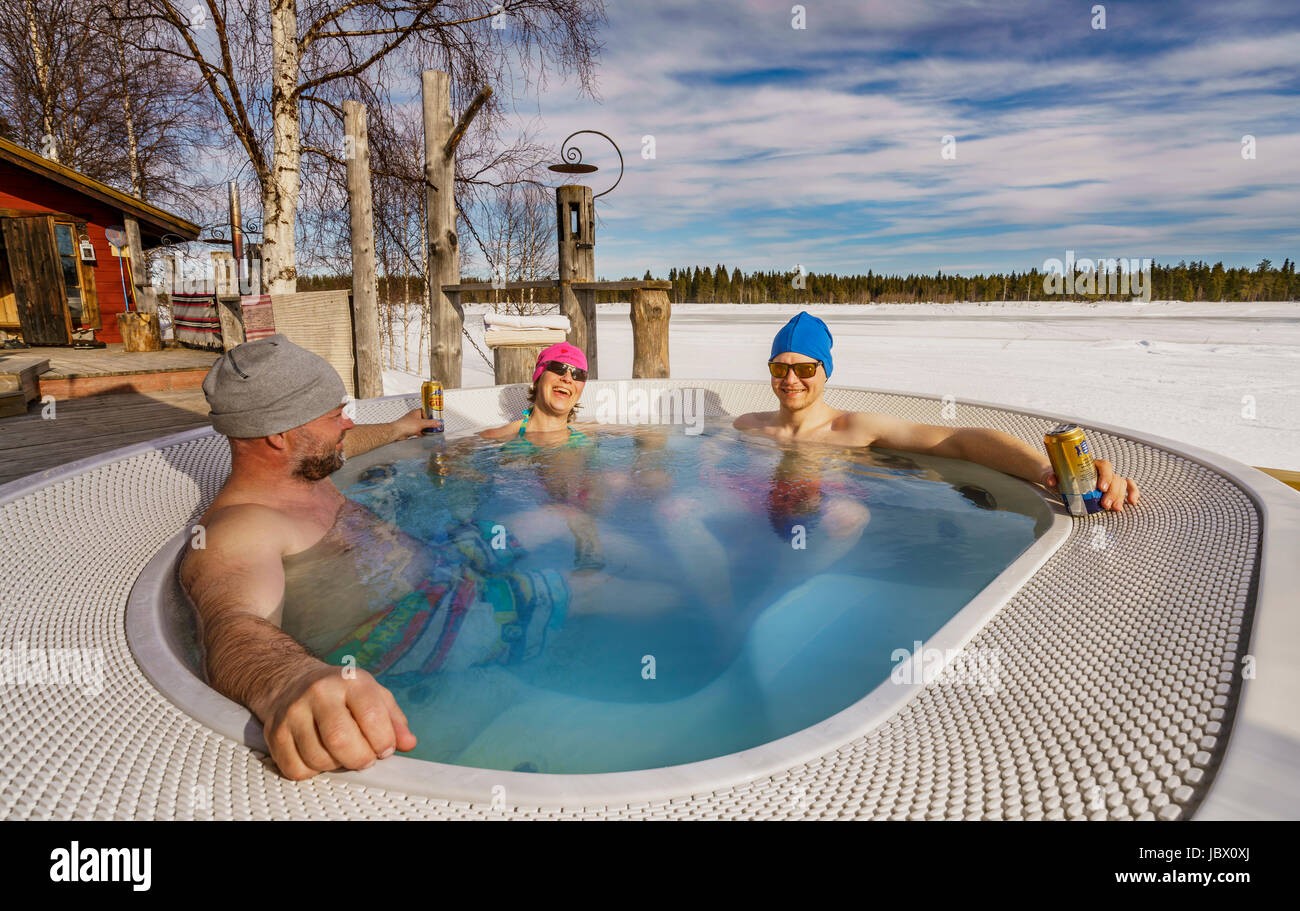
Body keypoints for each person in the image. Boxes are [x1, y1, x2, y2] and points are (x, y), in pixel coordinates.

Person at [180, 335, 677, 782]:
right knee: (599, 589)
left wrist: (397, 428)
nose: (348, 422)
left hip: (440, 558)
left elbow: (346, 441)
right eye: (335, 415)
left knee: (559, 515)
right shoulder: (238, 530)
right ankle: (693, 624)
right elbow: (233, 623)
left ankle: (656, 573)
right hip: (424, 621)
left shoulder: (297, 464)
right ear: (279, 434)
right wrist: (289, 678)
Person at [734, 311, 1140, 511]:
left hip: (836, 515)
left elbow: (960, 442)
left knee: (847, 518)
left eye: (805, 368)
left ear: (825, 372)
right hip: (764, 512)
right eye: (779, 367)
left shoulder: (855, 428)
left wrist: (1044, 471)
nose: (791, 379)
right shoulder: (746, 427)